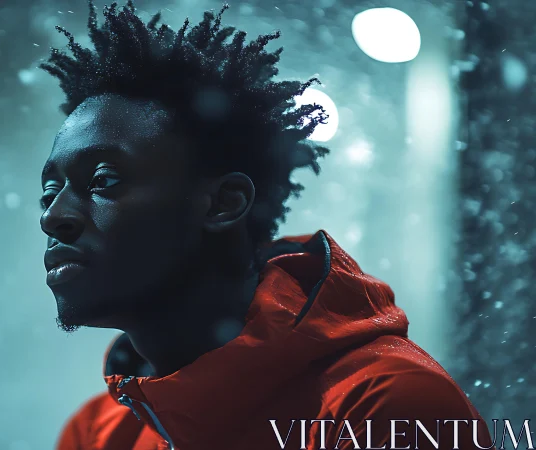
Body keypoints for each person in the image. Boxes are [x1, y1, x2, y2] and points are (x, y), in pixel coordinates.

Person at [38, 1, 494, 449]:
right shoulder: (95, 434)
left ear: (223, 203)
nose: (53, 216)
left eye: (104, 180)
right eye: (49, 190)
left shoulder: (384, 407)